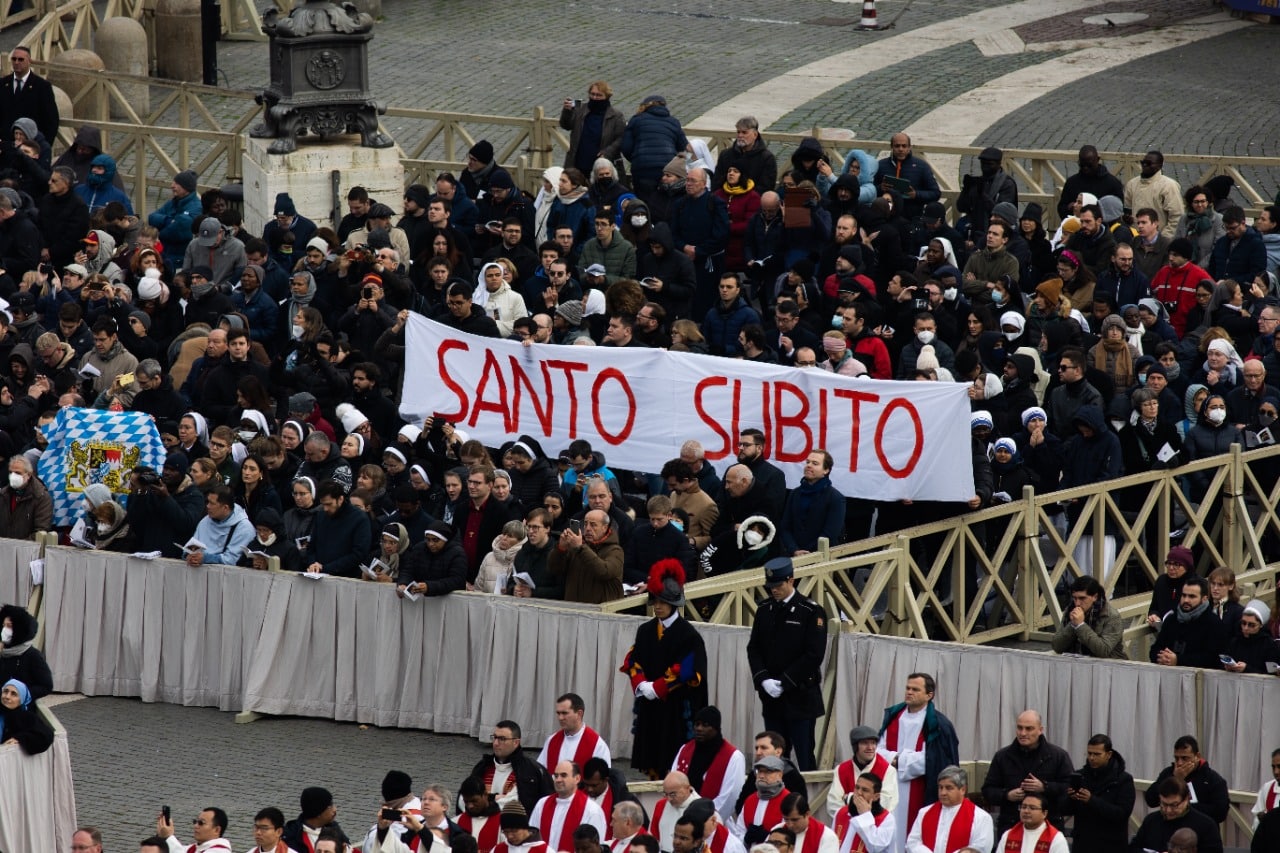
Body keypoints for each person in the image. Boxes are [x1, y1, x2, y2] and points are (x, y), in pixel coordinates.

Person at [620, 560, 708, 778]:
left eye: (663, 601)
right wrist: (640, 684)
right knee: (651, 761)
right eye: (655, 600)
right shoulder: (645, 630)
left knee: (674, 762)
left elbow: (689, 670)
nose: (657, 606)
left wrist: (658, 688)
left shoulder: (689, 635)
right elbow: (633, 659)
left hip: (675, 710)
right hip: (650, 708)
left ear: (674, 603)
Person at [745, 557, 826, 771]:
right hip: (772, 698)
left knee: (804, 756)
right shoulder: (765, 609)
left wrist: (783, 681)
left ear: (791, 580)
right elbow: (754, 648)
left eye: (779, 585)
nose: (774, 591)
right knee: (774, 757)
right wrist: (763, 680)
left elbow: (814, 654)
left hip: (799, 695)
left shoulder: (810, 611)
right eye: (770, 586)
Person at [878, 673, 960, 853]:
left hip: (921, 789)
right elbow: (878, 751)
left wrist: (897, 759)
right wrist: (901, 759)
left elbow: (932, 760)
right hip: (890, 786)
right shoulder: (893, 716)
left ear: (929, 695)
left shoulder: (937, 724)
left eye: (915, 689)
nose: (909, 692)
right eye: (908, 688)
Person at [981, 710, 1073, 836]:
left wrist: (1045, 787)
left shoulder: (1058, 756)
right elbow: (988, 790)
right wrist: (1007, 795)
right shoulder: (1002, 756)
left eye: (1029, 729)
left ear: (1040, 730)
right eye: (1020, 728)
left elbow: (1070, 788)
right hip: (1011, 826)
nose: (1023, 733)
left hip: (1048, 827)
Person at [1062, 734, 1135, 853]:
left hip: (1111, 844)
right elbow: (1064, 809)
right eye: (1089, 753)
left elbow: (1122, 813)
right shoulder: (1080, 776)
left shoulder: (1123, 780)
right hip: (1083, 844)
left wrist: (1092, 800)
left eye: (1097, 754)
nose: (1091, 758)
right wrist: (1071, 798)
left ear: (1109, 754)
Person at [671, 705, 745, 821]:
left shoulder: (733, 757)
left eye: (705, 725)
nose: (699, 728)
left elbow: (730, 796)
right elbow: (673, 781)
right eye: (697, 724)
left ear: (716, 728)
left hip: (712, 820)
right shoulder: (685, 750)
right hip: (680, 816)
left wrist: (705, 817)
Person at [467, 720, 554, 813]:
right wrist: (493, 797)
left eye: (502, 739)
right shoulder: (483, 766)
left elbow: (513, 804)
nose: (495, 743)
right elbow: (466, 796)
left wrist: (485, 799)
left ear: (516, 742)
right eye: (494, 737)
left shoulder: (530, 771)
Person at [1142, 735, 1230, 824]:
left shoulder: (1212, 779)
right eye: (1176, 758)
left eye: (1185, 758)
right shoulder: (1168, 773)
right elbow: (1151, 800)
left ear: (1197, 757)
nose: (1180, 763)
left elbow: (1220, 813)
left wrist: (1184, 808)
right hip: (1171, 828)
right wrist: (1175, 779)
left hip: (1200, 830)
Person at [904, 766, 993, 853]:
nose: (943, 793)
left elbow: (981, 847)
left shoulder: (981, 817)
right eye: (940, 787)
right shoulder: (924, 812)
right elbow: (912, 842)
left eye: (949, 788)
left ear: (963, 789)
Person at [1149, 577, 1229, 669]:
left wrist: (1178, 660)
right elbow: (1155, 648)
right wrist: (1161, 657)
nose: (1186, 600)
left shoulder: (1214, 624)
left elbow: (1214, 658)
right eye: (1184, 595)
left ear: (1204, 599)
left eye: (1192, 596)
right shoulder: (1171, 619)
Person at [548, 507, 623, 603]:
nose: (587, 529)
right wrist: (561, 549)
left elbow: (605, 572)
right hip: (575, 609)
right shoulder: (575, 547)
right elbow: (554, 569)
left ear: (604, 527)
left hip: (602, 611)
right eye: (586, 524)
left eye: (593, 525)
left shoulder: (615, 550)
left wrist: (580, 548)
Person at [1128, 777, 1223, 853]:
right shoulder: (1151, 821)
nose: (1168, 810)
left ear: (1186, 799)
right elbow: (1133, 848)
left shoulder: (1206, 825)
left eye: (1174, 805)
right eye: (1164, 804)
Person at [530, 761, 607, 852]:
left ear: (577, 778)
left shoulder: (591, 810)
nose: (558, 780)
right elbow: (531, 840)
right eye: (556, 776)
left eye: (563, 775)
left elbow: (594, 848)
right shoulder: (542, 804)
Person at [827, 725, 899, 822]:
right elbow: (833, 805)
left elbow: (884, 804)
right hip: (848, 827)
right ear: (855, 746)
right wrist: (855, 820)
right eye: (865, 743)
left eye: (873, 743)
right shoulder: (841, 770)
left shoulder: (888, 770)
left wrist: (849, 798)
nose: (870, 747)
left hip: (875, 828)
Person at [1049, 576, 1126, 658]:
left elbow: (1104, 651)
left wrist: (1080, 626)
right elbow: (1057, 646)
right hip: (1077, 662)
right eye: (1075, 598)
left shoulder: (1111, 616)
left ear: (1095, 597)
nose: (1077, 603)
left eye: (1082, 598)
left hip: (1109, 664)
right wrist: (1072, 624)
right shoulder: (1070, 610)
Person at [538, 692, 613, 771]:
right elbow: (539, 771)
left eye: (564, 713)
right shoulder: (551, 741)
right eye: (558, 713)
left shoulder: (597, 745)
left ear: (579, 714)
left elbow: (602, 779)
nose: (560, 718)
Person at [0, 46, 59, 141]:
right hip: (6, 146)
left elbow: (51, 120)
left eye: (20, 59)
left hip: (31, 145)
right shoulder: (2, 84)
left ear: (29, 61)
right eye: (14, 59)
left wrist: (42, 147)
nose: (16, 62)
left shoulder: (42, 86)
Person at [830, 772, 895, 853]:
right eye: (857, 788)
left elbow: (876, 847)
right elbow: (831, 845)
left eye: (865, 790)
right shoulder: (841, 812)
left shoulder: (887, 819)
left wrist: (865, 815)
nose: (859, 793)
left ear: (876, 796)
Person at [734, 756, 792, 845]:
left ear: (780, 775)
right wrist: (745, 839)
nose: (761, 776)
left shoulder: (788, 800)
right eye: (760, 771)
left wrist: (767, 838)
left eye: (767, 771)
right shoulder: (750, 800)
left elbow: (792, 835)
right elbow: (738, 832)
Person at [992, 792, 1066, 853]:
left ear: (1044, 813)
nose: (1026, 811)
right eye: (1023, 807)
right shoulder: (1008, 835)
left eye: (1032, 808)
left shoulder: (1056, 838)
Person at [0, 454, 52, 539]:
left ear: (28, 474)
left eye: (18, 473)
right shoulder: (3, 495)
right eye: (10, 472)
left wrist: (18, 547)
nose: (13, 476)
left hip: (28, 550)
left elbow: (41, 530)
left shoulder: (40, 497)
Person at [283, 788, 347, 853]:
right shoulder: (291, 837)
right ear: (318, 813)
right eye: (330, 806)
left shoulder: (335, 828)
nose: (335, 809)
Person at [0, 677, 53, 754]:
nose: (7, 697)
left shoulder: (26, 717)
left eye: (13, 694)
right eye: (5, 691)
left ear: (21, 699)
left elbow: (45, 736)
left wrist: (20, 738)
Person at [155, 806, 233, 852]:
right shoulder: (194, 848)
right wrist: (161, 835)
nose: (196, 826)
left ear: (217, 830)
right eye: (196, 821)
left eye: (201, 823)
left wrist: (168, 836)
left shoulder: (220, 851)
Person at [1251, 747, 1280, 829]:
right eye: (1273, 767)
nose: (1276, 772)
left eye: (1279, 766)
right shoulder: (1267, 788)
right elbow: (1255, 823)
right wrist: (1262, 820)